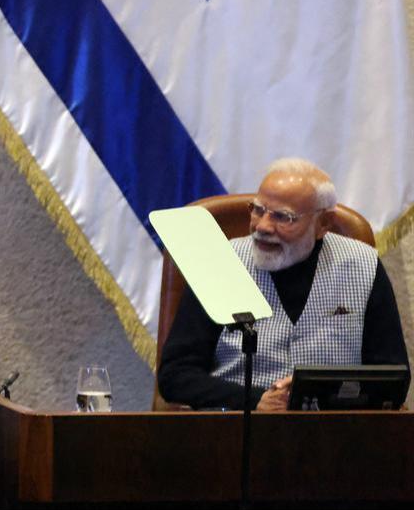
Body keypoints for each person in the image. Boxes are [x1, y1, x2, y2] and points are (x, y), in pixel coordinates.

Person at [158, 157, 408, 411]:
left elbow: (393, 379)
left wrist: (317, 392)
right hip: (235, 433)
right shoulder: (220, 264)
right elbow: (174, 376)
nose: (263, 226)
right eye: (257, 210)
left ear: (323, 224)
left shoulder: (363, 266)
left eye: (283, 217)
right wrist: (254, 400)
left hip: (334, 436)